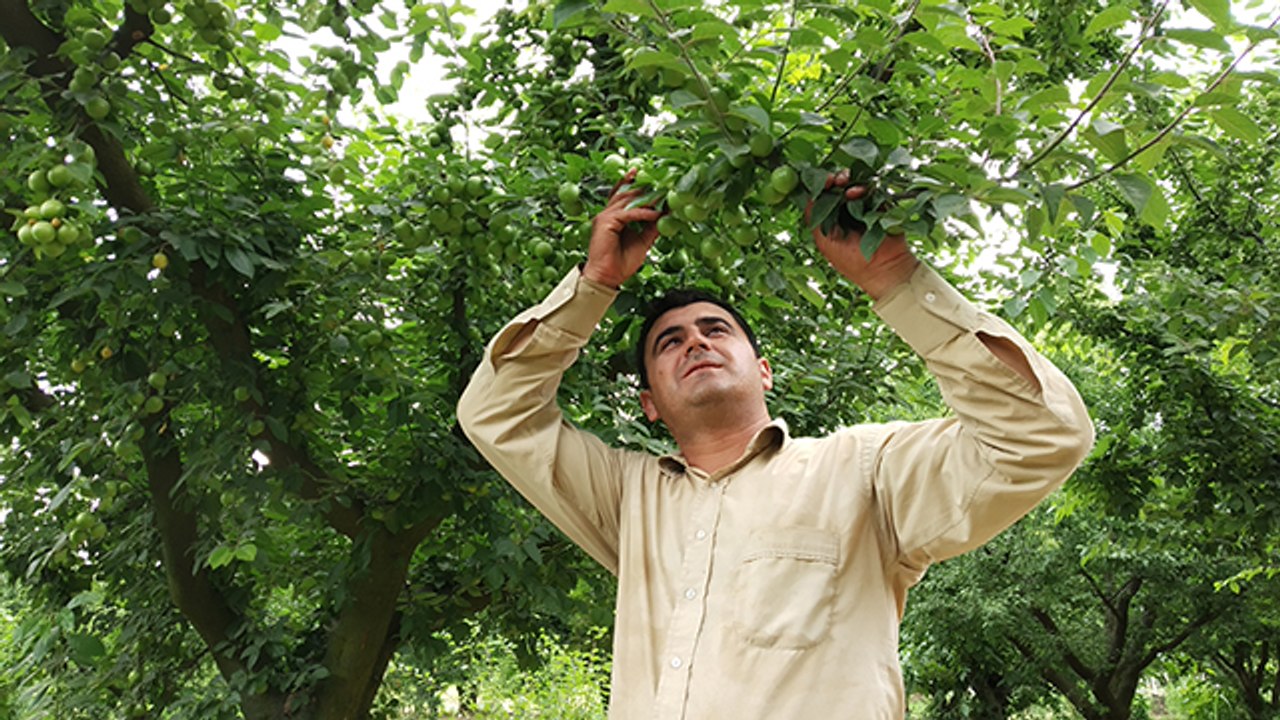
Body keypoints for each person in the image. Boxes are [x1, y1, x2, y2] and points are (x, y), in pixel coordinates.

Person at [456, 170, 1094, 720]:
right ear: (648, 403)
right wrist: (593, 284)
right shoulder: (628, 499)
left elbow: (1042, 434)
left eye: (715, 329)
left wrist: (895, 278)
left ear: (763, 371)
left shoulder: (862, 472)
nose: (696, 343)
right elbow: (494, 414)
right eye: (669, 343)